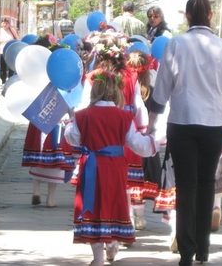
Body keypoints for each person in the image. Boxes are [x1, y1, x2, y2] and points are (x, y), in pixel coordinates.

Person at [147, 0, 222, 266]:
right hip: (213, 124)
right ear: (210, 15)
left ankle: (186, 252)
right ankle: (203, 249)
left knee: (185, 187)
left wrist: (151, 125)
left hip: (182, 122)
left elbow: (161, 90)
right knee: (207, 183)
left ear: (187, 16)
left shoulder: (175, 45)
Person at [64, 70, 159, 266]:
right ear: (116, 92)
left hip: (91, 166)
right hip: (115, 169)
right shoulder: (124, 116)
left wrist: (68, 123)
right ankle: (112, 242)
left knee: (93, 206)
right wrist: (153, 141)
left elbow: (72, 138)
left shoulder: (83, 116)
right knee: (113, 202)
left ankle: (98, 256)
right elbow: (135, 143)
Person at [21, 34, 75, 208]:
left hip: (38, 119)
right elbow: (69, 100)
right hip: (56, 120)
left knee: (37, 157)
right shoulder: (61, 77)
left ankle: (36, 190)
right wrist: (73, 116)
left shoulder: (36, 76)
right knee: (56, 161)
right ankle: (50, 198)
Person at [0, 18, 20, 83]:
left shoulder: (11, 30)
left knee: (11, 66)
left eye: (6, 23)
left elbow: (18, 39)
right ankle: (3, 81)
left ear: (8, 24)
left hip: (11, 51)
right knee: (3, 67)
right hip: (2, 51)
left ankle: (11, 80)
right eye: (3, 23)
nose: (5, 24)